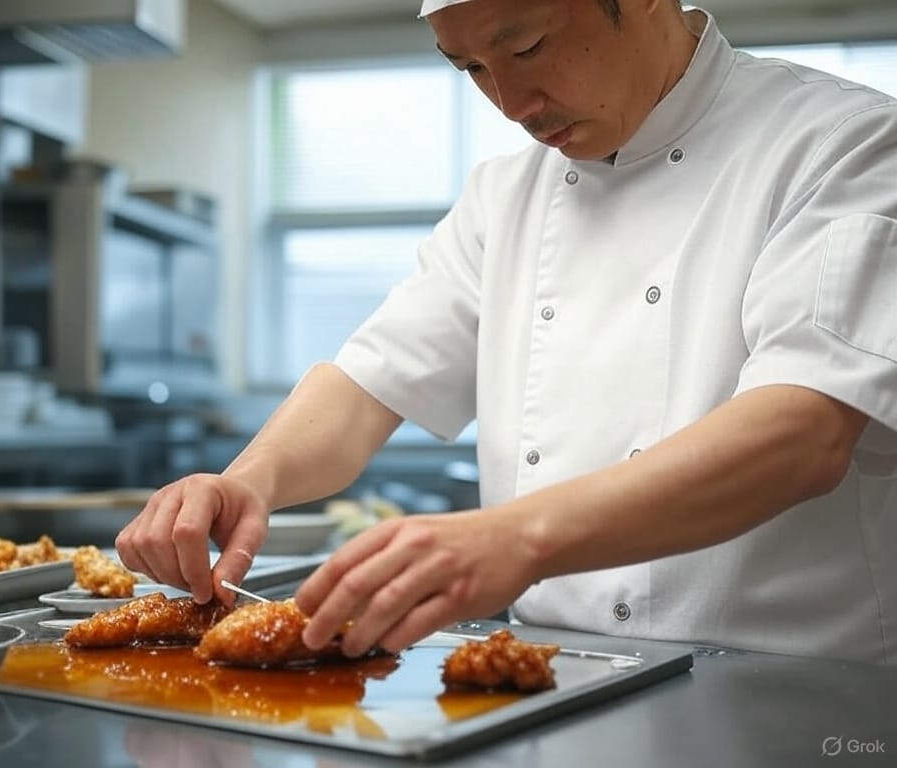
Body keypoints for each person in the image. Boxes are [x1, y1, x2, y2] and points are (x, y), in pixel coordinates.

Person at [116, 0, 897, 664]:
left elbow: (801, 435)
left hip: (788, 693)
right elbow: (372, 380)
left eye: (526, 47)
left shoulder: (840, 143)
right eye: (473, 71)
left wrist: (513, 538)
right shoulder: (505, 195)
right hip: (553, 680)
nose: (514, 103)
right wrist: (246, 481)